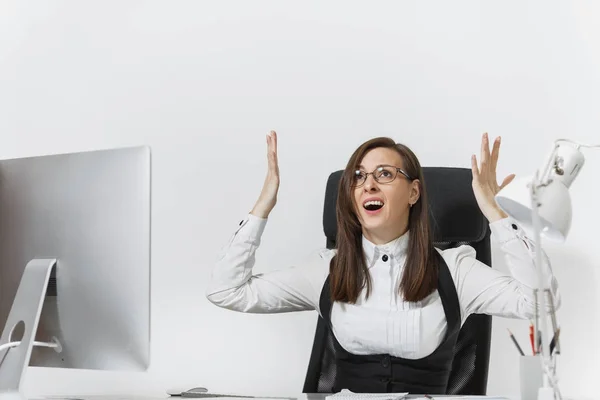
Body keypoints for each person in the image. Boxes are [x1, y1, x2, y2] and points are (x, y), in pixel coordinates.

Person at [206, 131, 560, 394]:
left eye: (385, 174)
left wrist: (496, 215)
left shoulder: (456, 270)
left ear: (413, 192)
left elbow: (541, 302)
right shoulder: (326, 269)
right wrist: (261, 209)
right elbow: (227, 291)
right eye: (358, 176)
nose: (368, 184)